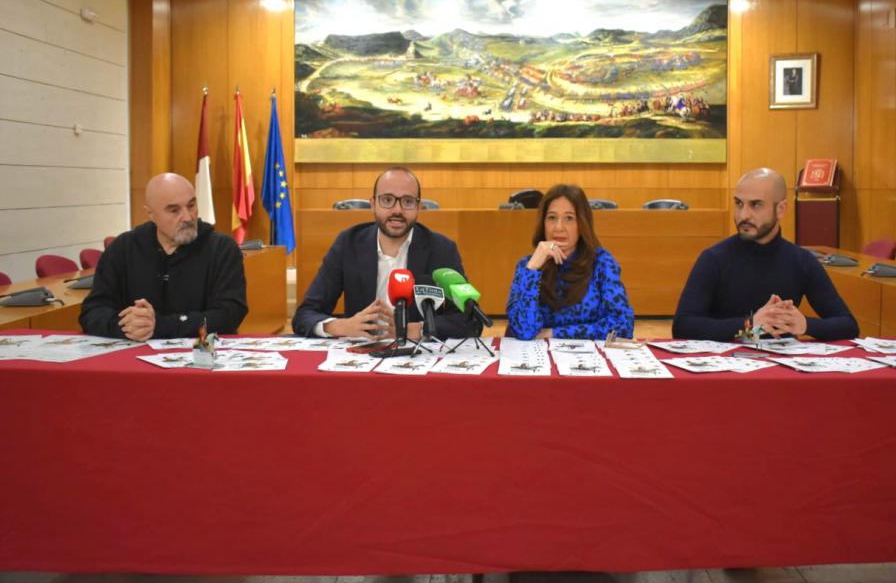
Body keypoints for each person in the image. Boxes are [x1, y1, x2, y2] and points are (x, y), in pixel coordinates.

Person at [672, 167, 858, 341]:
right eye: (739, 204)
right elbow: (683, 326)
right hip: (725, 362)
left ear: (781, 209)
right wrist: (750, 324)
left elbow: (848, 325)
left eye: (756, 205)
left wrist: (805, 325)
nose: (743, 215)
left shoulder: (801, 261)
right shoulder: (714, 259)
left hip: (782, 363)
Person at [292, 166, 474, 339]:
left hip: (419, 354)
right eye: (387, 200)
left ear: (419, 207)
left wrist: (416, 329)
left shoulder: (441, 249)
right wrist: (340, 326)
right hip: (361, 353)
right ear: (373, 204)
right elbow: (305, 314)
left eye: (408, 201)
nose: (397, 210)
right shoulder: (348, 243)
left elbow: (470, 320)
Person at [80, 173, 248, 341]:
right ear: (151, 214)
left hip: (202, 351)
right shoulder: (123, 248)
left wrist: (161, 325)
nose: (188, 217)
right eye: (174, 210)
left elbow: (230, 314)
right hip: (136, 352)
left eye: (191, 205)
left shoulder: (222, 249)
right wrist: (128, 326)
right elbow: (92, 311)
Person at [506, 184, 634, 340]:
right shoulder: (527, 266)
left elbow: (623, 325)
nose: (558, 227)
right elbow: (523, 331)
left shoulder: (602, 263)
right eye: (552, 218)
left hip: (589, 355)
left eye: (569, 218)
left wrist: (554, 333)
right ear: (543, 223)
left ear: (582, 223)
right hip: (538, 355)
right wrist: (532, 270)